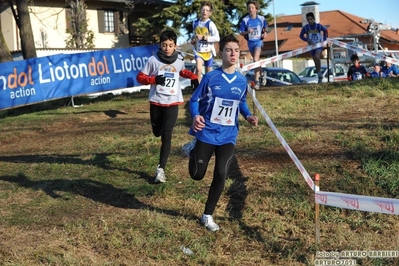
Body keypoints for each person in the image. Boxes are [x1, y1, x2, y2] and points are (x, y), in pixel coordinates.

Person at [182, 34, 259, 232]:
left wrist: (248, 116)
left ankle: (207, 215)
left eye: (236, 51)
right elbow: (194, 100)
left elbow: (241, 102)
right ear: (221, 52)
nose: (233, 54)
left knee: (221, 173)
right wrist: (195, 116)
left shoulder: (242, 81)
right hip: (207, 132)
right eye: (228, 50)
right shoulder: (210, 77)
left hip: (228, 135)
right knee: (197, 175)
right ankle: (193, 150)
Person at [136, 30, 199, 183]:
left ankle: (160, 169)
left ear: (175, 46)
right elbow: (140, 77)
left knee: (167, 134)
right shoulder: (153, 60)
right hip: (156, 102)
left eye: (170, 45)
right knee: (157, 132)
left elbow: (181, 71)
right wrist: (154, 79)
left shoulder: (179, 59)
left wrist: (193, 76)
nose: (167, 48)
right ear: (160, 45)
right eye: (164, 45)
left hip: (172, 102)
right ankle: (157, 132)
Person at [239, 0, 268, 89]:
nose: (250, 9)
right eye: (249, 8)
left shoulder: (261, 18)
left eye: (252, 8)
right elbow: (241, 33)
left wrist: (265, 33)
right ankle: (262, 74)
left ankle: (256, 81)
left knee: (255, 59)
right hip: (250, 42)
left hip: (258, 41)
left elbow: (266, 27)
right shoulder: (245, 20)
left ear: (256, 9)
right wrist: (248, 31)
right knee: (257, 61)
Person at [191, 1, 220, 82]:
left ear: (210, 13)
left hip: (208, 52)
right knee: (199, 69)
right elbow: (194, 35)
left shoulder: (210, 24)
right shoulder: (195, 23)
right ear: (200, 10)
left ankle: (208, 88)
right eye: (203, 10)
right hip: (199, 51)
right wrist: (193, 40)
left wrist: (204, 38)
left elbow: (217, 38)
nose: (204, 12)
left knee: (208, 73)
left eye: (207, 10)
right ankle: (198, 88)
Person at [299, 12, 328, 84]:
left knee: (316, 55)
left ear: (313, 19)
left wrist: (324, 39)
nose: (309, 21)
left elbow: (325, 30)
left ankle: (319, 72)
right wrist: (307, 40)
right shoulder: (306, 27)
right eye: (308, 19)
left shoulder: (318, 26)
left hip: (318, 45)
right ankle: (319, 74)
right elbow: (301, 35)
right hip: (311, 46)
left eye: (311, 19)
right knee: (315, 59)